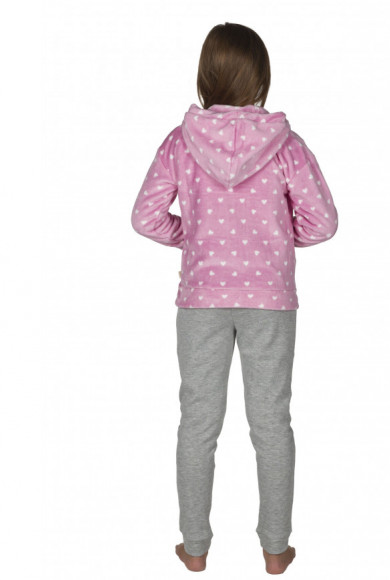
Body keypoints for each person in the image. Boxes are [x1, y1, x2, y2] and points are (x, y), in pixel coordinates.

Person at [131, 21, 338, 574]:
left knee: (198, 424)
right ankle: (275, 549)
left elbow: (145, 217)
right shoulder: (286, 144)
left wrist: (191, 237)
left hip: (201, 299)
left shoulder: (180, 142)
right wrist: (276, 241)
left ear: (205, 76)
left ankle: (195, 548)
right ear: (261, 77)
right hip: (271, 300)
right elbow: (322, 222)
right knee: (271, 424)